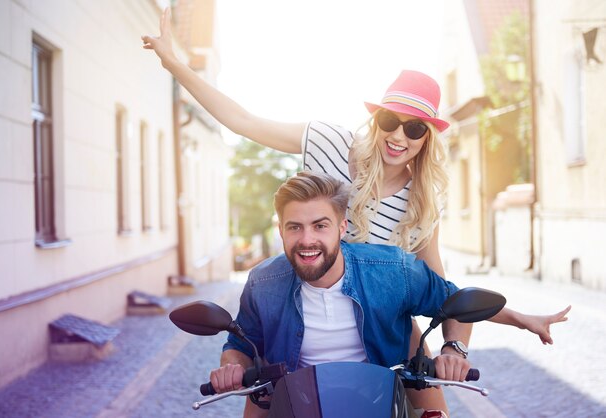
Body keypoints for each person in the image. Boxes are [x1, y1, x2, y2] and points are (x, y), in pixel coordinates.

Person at [142, 7, 570, 414]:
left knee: (434, 409)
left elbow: (443, 293)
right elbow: (245, 123)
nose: (399, 136)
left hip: (381, 317)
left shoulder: (422, 203)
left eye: (415, 127)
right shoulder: (332, 144)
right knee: (263, 396)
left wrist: (515, 320)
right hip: (300, 301)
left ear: (428, 138)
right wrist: (175, 65)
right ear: (376, 120)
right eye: (390, 121)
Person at [212, 171, 470, 418]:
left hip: (381, 404)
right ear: (281, 231)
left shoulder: (393, 270)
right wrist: (232, 367)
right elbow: (240, 345)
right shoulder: (263, 282)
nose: (307, 239)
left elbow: (457, 304)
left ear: (342, 227)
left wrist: (454, 350)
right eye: (295, 228)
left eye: (320, 226)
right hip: (298, 407)